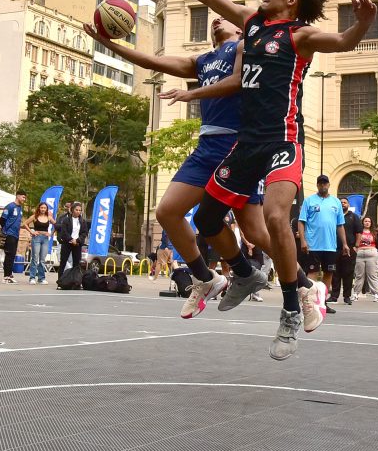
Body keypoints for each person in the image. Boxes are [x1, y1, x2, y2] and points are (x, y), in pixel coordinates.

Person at [157, 0, 375, 360]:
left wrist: (363, 22)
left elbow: (344, 41)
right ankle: (243, 273)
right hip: (247, 143)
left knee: (275, 217)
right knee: (207, 219)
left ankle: (292, 307)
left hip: (283, 140)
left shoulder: (300, 35)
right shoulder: (252, 23)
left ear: (291, 1)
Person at [86, 16, 280, 319]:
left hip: (236, 145)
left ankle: (303, 284)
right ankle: (206, 278)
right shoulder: (202, 61)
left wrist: (191, 94)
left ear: (239, 28)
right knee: (167, 212)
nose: (216, 19)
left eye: (224, 18)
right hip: (206, 146)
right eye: (213, 18)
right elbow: (153, 61)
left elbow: (239, 81)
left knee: (254, 230)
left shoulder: (243, 46)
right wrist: (108, 44)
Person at [299, 175, 348, 314]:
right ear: (317, 185)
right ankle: (309, 302)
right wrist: (303, 241)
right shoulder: (309, 201)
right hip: (313, 245)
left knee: (328, 273)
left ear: (328, 185)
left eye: (325, 183)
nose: (322, 185)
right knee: (312, 273)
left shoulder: (336, 202)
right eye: (320, 183)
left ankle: (322, 302)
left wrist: (345, 244)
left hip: (330, 245)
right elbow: (301, 221)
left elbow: (340, 225)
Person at [331, 197, 363, 305]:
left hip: (349, 249)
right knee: (334, 273)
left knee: (348, 273)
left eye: (345, 202)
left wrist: (356, 246)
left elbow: (359, 232)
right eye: (341, 202)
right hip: (334, 248)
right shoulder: (334, 216)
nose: (343, 204)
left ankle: (347, 297)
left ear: (348, 205)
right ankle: (334, 296)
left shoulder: (354, 217)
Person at [353, 216, 378, 301]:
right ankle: (356, 294)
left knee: (372, 275)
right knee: (359, 275)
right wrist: (354, 249)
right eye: (365, 221)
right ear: (362, 222)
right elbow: (353, 241)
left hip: (372, 254)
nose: (367, 223)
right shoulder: (358, 232)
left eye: (369, 221)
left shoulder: (375, 232)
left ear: (371, 223)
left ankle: (376, 295)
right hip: (359, 254)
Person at [54, 202, 86, 281]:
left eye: (80, 210)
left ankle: (75, 281)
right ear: (72, 210)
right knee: (63, 262)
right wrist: (71, 239)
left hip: (77, 244)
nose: (78, 212)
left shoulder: (82, 221)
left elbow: (84, 233)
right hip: (67, 243)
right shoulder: (66, 220)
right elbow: (64, 232)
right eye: (76, 210)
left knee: (76, 264)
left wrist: (77, 240)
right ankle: (60, 281)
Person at [0, 191, 25, 284]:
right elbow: (2, 219)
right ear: (18, 196)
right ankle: (6, 276)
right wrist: (5, 230)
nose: (24, 199)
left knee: (12, 255)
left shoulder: (20, 208)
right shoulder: (10, 206)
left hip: (16, 234)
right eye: (23, 197)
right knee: (9, 255)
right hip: (9, 234)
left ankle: (9, 274)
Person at [27, 202, 53, 285]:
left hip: (45, 238)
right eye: (41, 207)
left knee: (42, 259)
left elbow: (56, 225)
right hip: (36, 238)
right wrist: (31, 231)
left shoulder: (49, 217)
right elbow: (25, 224)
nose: (43, 209)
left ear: (46, 209)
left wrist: (51, 233)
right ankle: (32, 277)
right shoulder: (35, 216)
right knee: (35, 258)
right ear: (39, 208)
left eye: (44, 208)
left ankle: (41, 278)